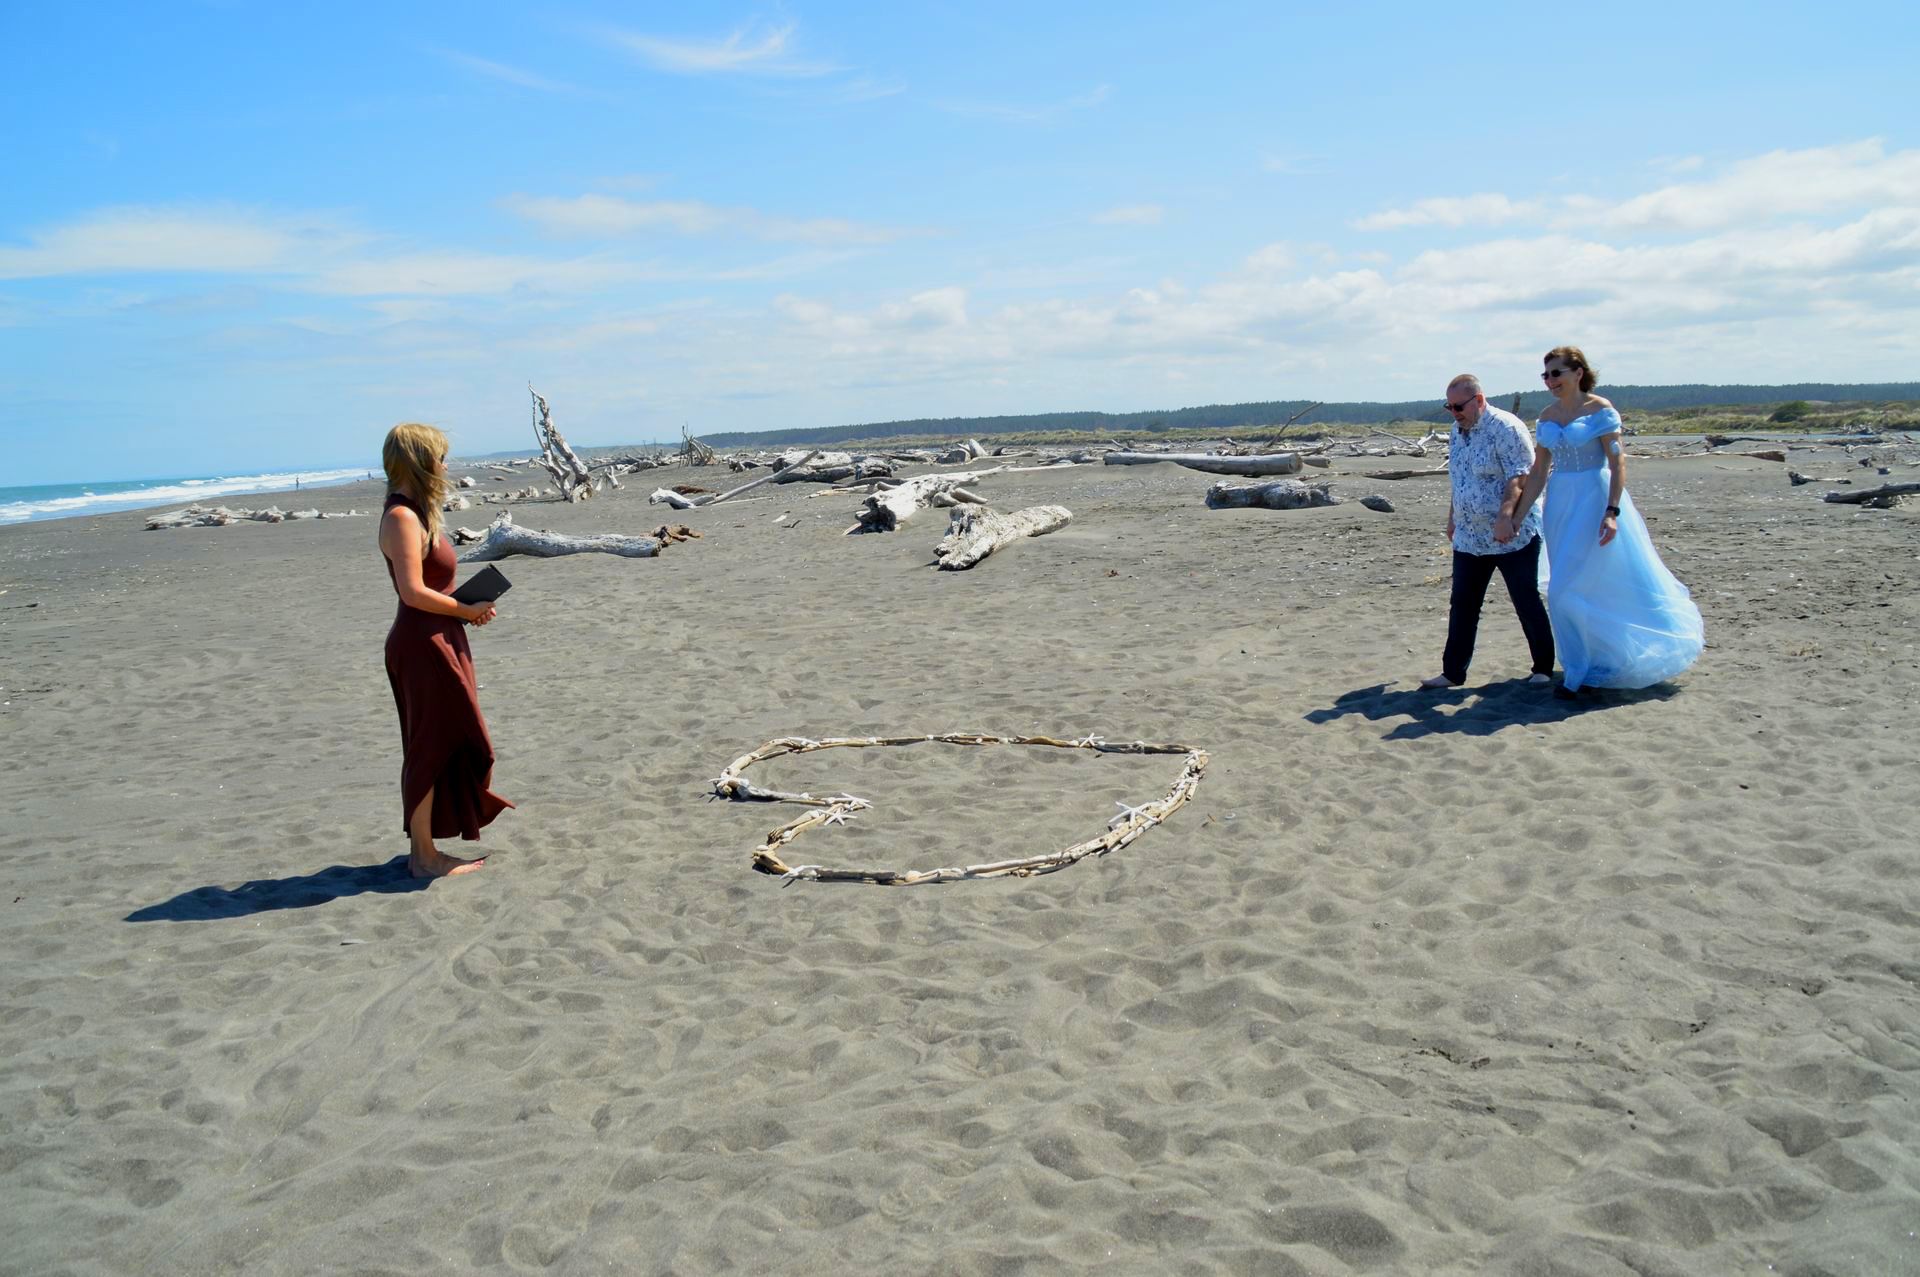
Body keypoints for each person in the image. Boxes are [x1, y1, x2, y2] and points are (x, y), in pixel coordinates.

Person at [1504, 347, 1703, 698]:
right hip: (1560, 504)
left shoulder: (1600, 410)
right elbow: (1538, 472)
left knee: (1577, 589)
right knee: (1564, 587)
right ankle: (1585, 664)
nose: (1550, 381)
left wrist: (1612, 511)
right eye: (1546, 375)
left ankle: (1578, 674)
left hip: (1593, 500)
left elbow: (1617, 463)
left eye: (1557, 373)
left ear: (1578, 373)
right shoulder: (1548, 416)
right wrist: (1518, 517)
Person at [378, 423, 512, 877]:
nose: (446, 465)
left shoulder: (417, 514)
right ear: (420, 461)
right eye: (440, 456)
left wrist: (466, 612)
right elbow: (412, 592)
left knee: (454, 740)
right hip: (422, 644)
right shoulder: (400, 517)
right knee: (429, 746)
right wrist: (462, 609)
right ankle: (423, 857)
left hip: (442, 638)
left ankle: (426, 850)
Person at [1420, 374, 1556, 690]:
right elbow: (1459, 478)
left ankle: (1543, 668)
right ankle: (1452, 672)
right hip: (1470, 536)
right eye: (1449, 407)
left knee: (1525, 600)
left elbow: (1519, 477)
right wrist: (1453, 517)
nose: (1454, 413)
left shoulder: (1507, 428)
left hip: (1512, 536)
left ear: (1479, 400)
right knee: (1463, 604)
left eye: (1459, 407)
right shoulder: (1457, 431)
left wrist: (1506, 517)